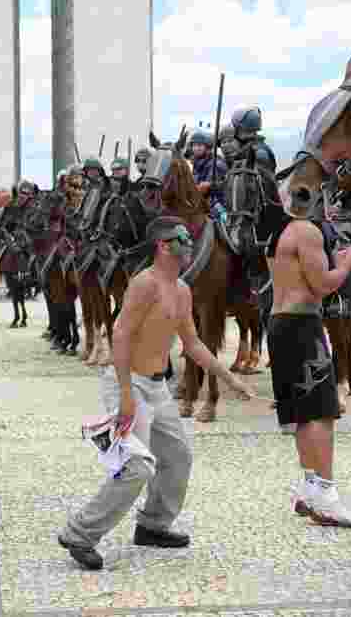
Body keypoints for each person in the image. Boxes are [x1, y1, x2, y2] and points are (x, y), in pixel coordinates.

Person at [58, 216, 253, 570]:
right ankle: (80, 533)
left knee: (177, 456)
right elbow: (120, 336)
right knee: (137, 466)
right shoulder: (144, 284)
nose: (191, 243)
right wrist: (125, 396)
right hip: (128, 383)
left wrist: (228, 378)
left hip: (157, 386)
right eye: (184, 238)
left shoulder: (181, 289)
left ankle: (153, 524)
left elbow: (192, 343)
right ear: (164, 245)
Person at [266, 171, 351, 528]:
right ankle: (326, 496)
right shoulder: (307, 232)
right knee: (322, 411)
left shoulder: (280, 232)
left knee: (302, 412)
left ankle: (310, 487)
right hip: (300, 326)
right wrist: (346, 263)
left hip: (281, 323)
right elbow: (324, 285)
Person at [190, 129, 228, 226]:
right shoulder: (196, 163)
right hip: (200, 202)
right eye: (194, 145)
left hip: (217, 204)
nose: (196, 148)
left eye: (199, 145)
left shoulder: (216, 164)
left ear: (207, 147)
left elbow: (206, 188)